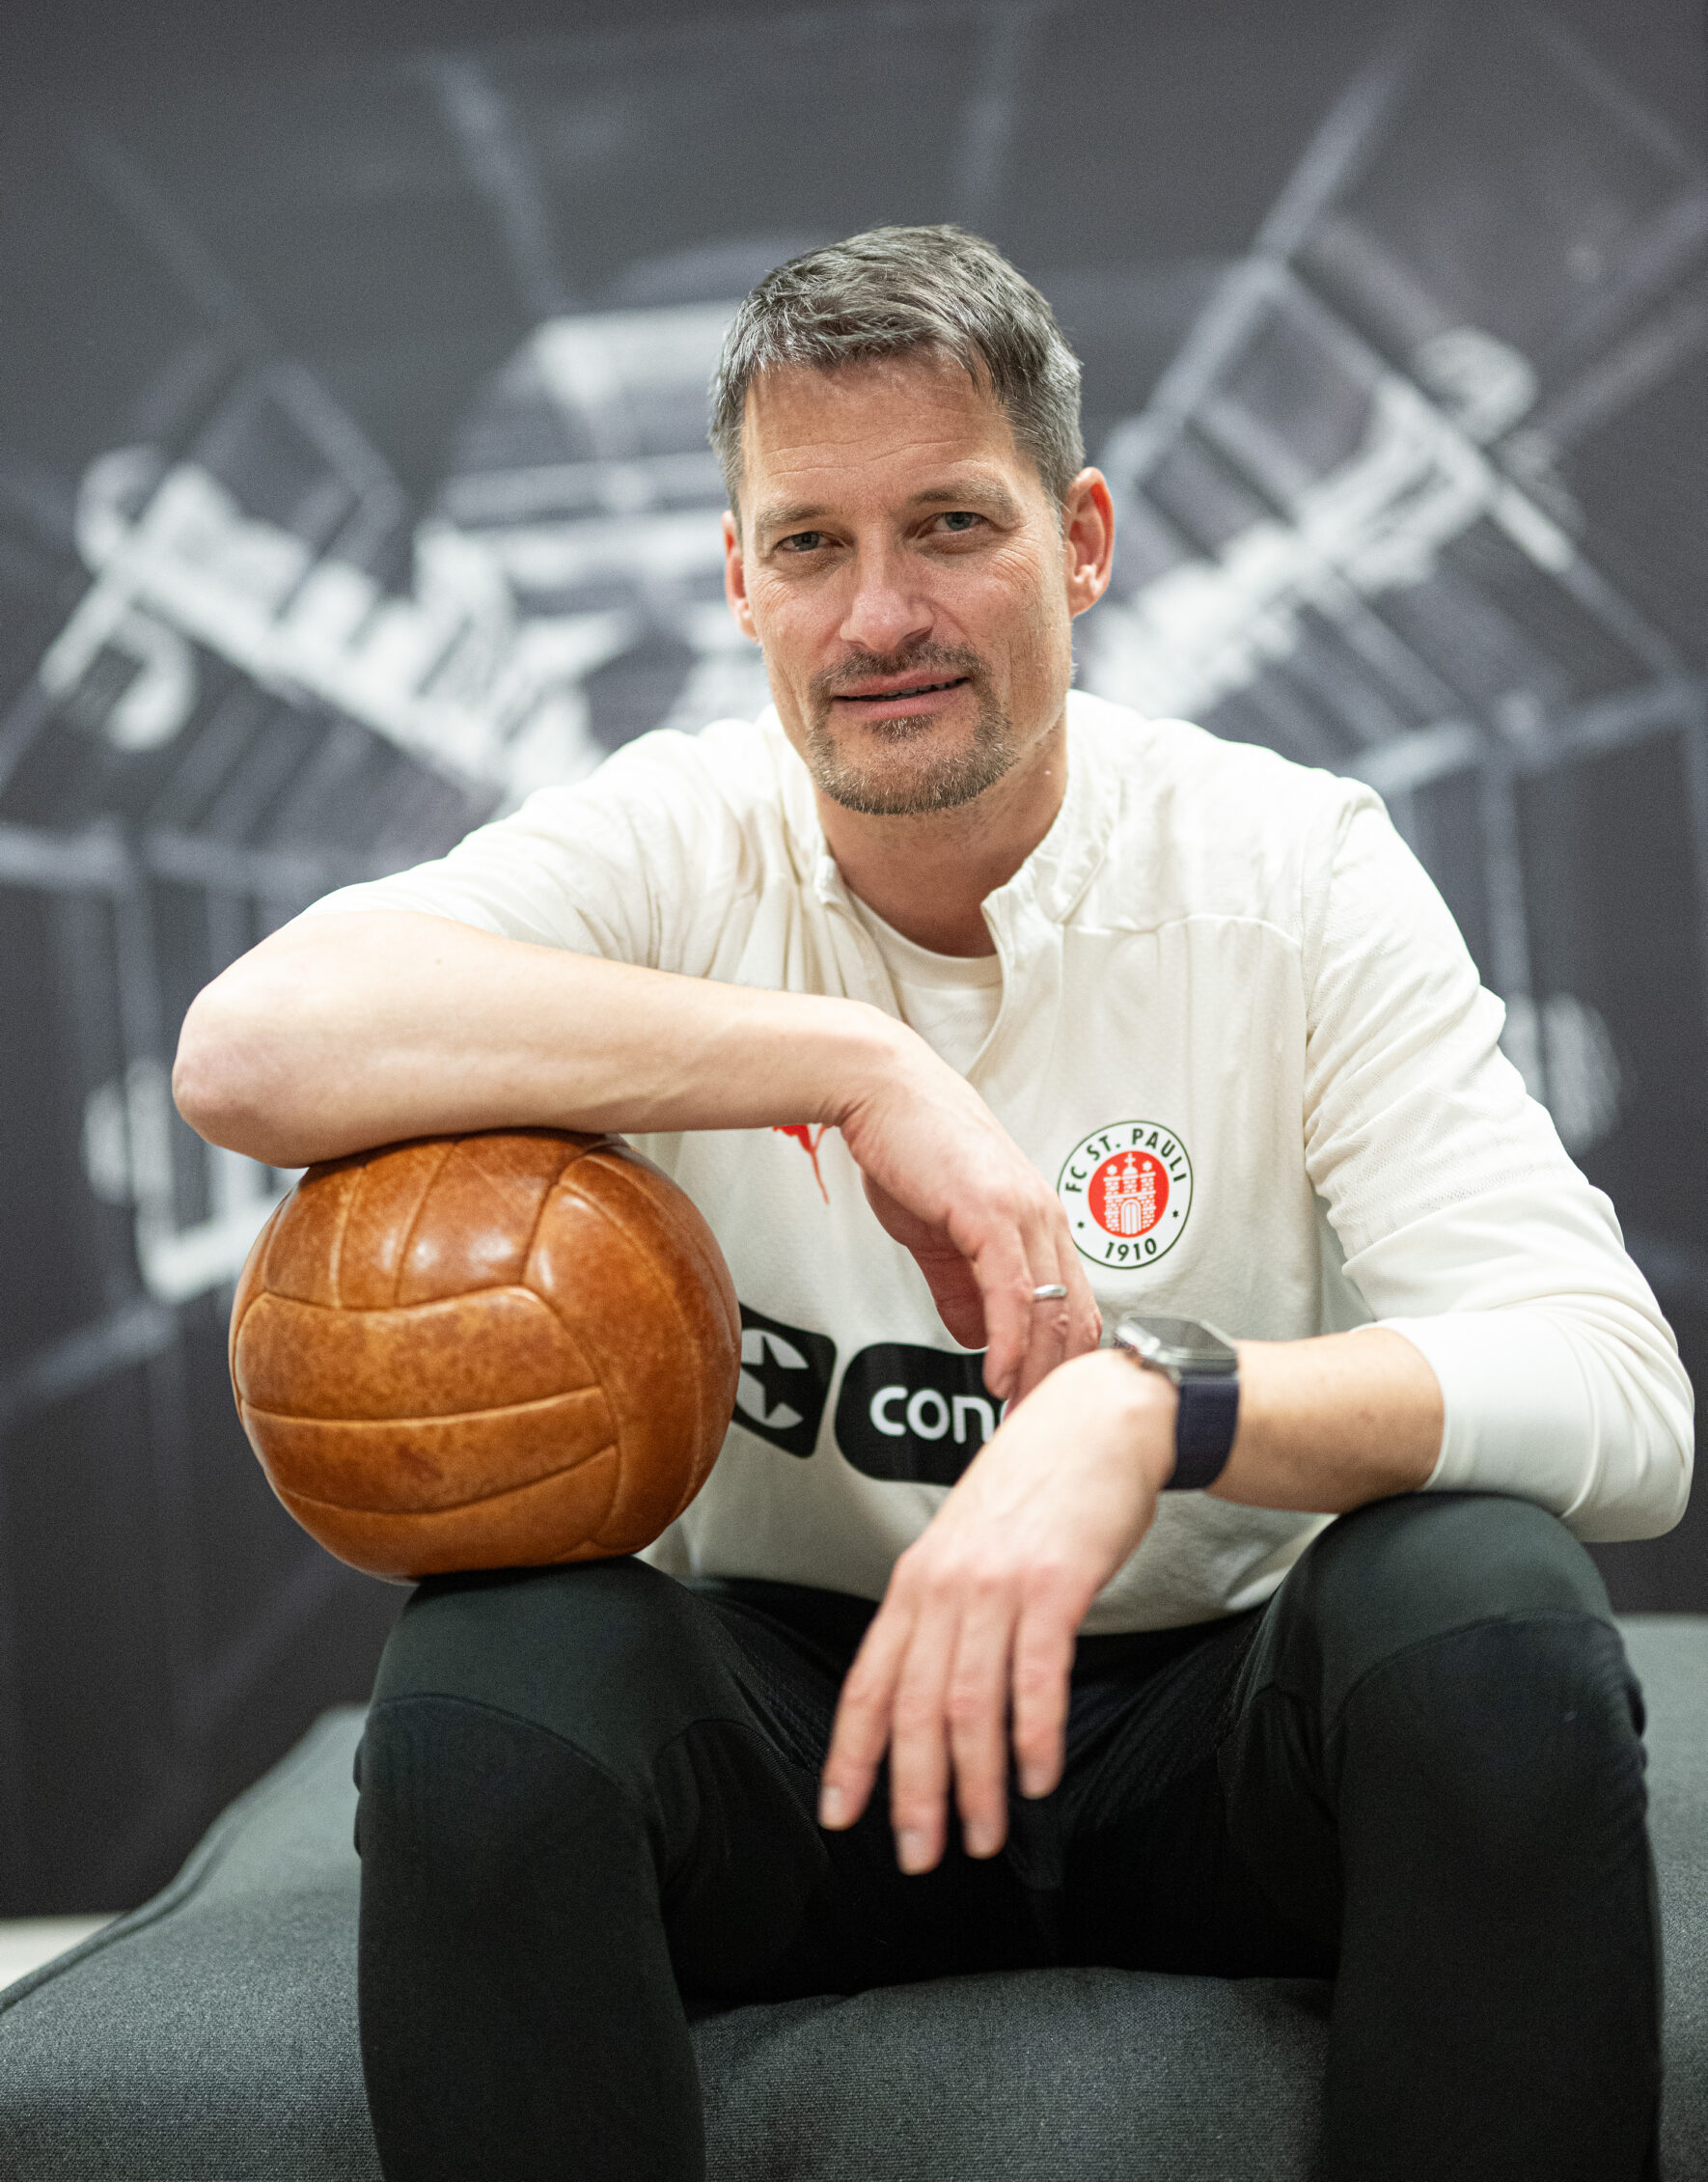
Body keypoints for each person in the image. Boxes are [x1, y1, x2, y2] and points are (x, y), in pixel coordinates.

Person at [175, 226, 1691, 2182]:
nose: (880, 609)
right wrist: (851, 1062)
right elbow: (247, 1049)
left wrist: (1154, 1408)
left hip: (1208, 1733)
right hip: (802, 1735)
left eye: (951, 523)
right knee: (492, 1677)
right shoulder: (671, 838)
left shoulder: (1289, 867)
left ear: (1082, 541)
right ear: (738, 578)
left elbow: (1620, 1397)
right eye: (810, 542)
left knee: (1490, 1604)